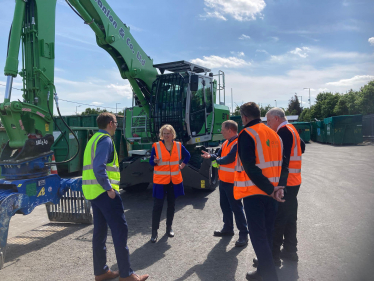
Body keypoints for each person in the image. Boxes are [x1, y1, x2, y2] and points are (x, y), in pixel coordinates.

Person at [82, 112, 148, 281]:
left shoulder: (93, 139)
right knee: (120, 231)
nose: (117, 125)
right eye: (116, 122)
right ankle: (126, 275)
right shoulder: (105, 140)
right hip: (105, 193)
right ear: (110, 123)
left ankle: (101, 272)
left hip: (93, 193)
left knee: (100, 233)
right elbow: (99, 167)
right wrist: (109, 188)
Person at [234, 102, 286, 281]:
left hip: (254, 192)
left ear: (244, 117)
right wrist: (277, 188)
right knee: (268, 233)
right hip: (271, 193)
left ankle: (270, 276)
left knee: (258, 236)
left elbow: (250, 167)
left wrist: (271, 189)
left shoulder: (246, 134)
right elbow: (283, 165)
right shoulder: (274, 134)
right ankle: (264, 272)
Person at [266, 108, 305, 263]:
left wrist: (280, 186)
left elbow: (284, 161)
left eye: (268, 121)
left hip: (287, 183)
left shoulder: (283, 132)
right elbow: (302, 147)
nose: (268, 125)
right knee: (289, 218)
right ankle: (290, 251)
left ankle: (273, 257)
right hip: (294, 181)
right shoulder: (292, 129)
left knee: (279, 219)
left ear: (276, 119)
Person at [201, 120, 249, 247]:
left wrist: (213, 158)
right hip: (224, 181)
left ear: (230, 130)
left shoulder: (238, 143)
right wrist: (211, 155)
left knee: (237, 208)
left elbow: (228, 159)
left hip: (234, 182)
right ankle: (228, 228)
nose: (221, 131)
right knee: (225, 206)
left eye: (222, 129)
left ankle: (243, 234)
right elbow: (218, 155)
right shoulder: (226, 142)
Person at [149, 124, 190, 243]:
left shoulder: (178, 145)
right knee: (157, 206)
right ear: (161, 135)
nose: (166, 135)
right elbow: (151, 162)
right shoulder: (156, 146)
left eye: (168, 133)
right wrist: (154, 161)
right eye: (164, 133)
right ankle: (154, 232)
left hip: (174, 181)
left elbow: (187, 156)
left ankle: (169, 228)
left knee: (171, 205)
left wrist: (182, 165)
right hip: (160, 181)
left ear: (173, 134)